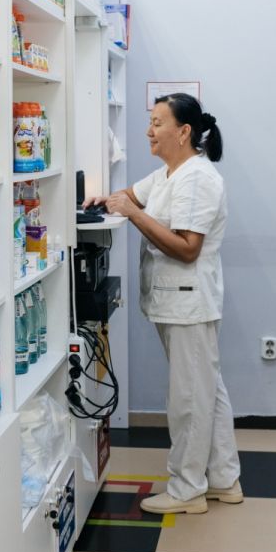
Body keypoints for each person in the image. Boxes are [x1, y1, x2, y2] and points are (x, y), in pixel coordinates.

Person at [84, 92, 241, 515]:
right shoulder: (171, 172)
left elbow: (188, 248)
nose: (149, 131)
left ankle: (188, 489)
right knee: (207, 389)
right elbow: (132, 195)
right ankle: (223, 478)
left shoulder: (198, 179)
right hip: (177, 302)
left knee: (189, 398)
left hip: (190, 304)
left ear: (183, 131)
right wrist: (106, 201)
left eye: (157, 123)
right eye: (150, 122)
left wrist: (133, 215)